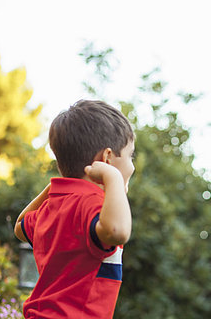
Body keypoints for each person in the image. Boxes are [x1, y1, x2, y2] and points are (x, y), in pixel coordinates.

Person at [14, 100, 135, 319]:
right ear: (107, 159)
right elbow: (118, 231)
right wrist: (113, 178)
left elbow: (20, 227)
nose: (132, 165)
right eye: (130, 156)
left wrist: (57, 185)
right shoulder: (92, 204)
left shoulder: (54, 205)